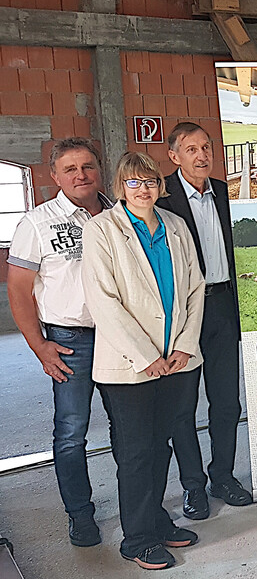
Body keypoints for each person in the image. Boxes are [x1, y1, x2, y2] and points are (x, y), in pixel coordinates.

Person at [82, 152, 205, 569]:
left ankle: (156, 519)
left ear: (160, 185)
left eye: (150, 181)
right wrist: (147, 356)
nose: (143, 189)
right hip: (129, 365)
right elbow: (104, 301)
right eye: (134, 183)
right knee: (136, 453)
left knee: (163, 445)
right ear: (120, 187)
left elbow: (195, 288)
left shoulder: (176, 226)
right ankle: (137, 539)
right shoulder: (102, 230)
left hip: (177, 359)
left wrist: (185, 345)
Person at [7, 138, 111, 547]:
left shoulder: (121, 214)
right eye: (70, 169)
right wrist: (39, 345)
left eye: (86, 166)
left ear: (98, 169)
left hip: (120, 337)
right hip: (70, 340)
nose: (80, 175)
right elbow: (18, 291)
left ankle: (141, 506)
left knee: (131, 428)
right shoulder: (37, 223)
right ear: (54, 176)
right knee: (71, 432)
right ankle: (80, 515)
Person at [156, 122, 251, 520]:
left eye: (207, 147)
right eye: (191, 149)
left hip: (226, 306)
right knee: (182, 406)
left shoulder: (227, 195)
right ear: (174, 156)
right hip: (183, 314)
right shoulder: (159, 197)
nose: (202, 155)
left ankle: (223, 476)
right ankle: (193, 486)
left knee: (226, 400)